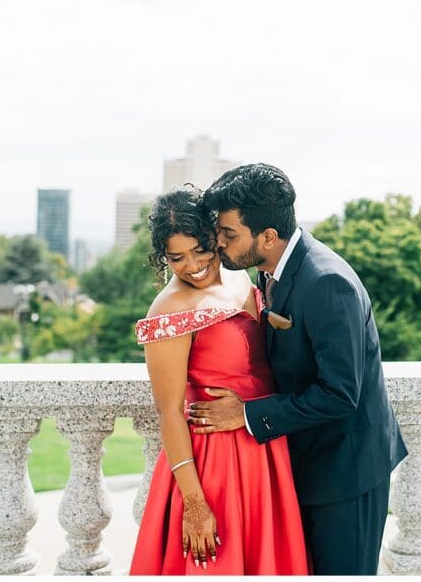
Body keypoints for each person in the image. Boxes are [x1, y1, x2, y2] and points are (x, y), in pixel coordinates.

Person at [185, 163, 408, 575]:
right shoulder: (268, 266)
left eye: (229, 234)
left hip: (346, 472)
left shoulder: (327, 283)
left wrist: (247, 415)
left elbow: (340, 394)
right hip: (304, 463)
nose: (218, 243)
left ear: (268, 236)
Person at [128, 185, 309, 575]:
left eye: (201, 250)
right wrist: (194, 504)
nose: (192, 265)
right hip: (214, 463)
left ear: (215, 238)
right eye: (176, 257)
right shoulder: (168, 308)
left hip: (264, 445)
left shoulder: (242, 276)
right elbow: (169, 411)